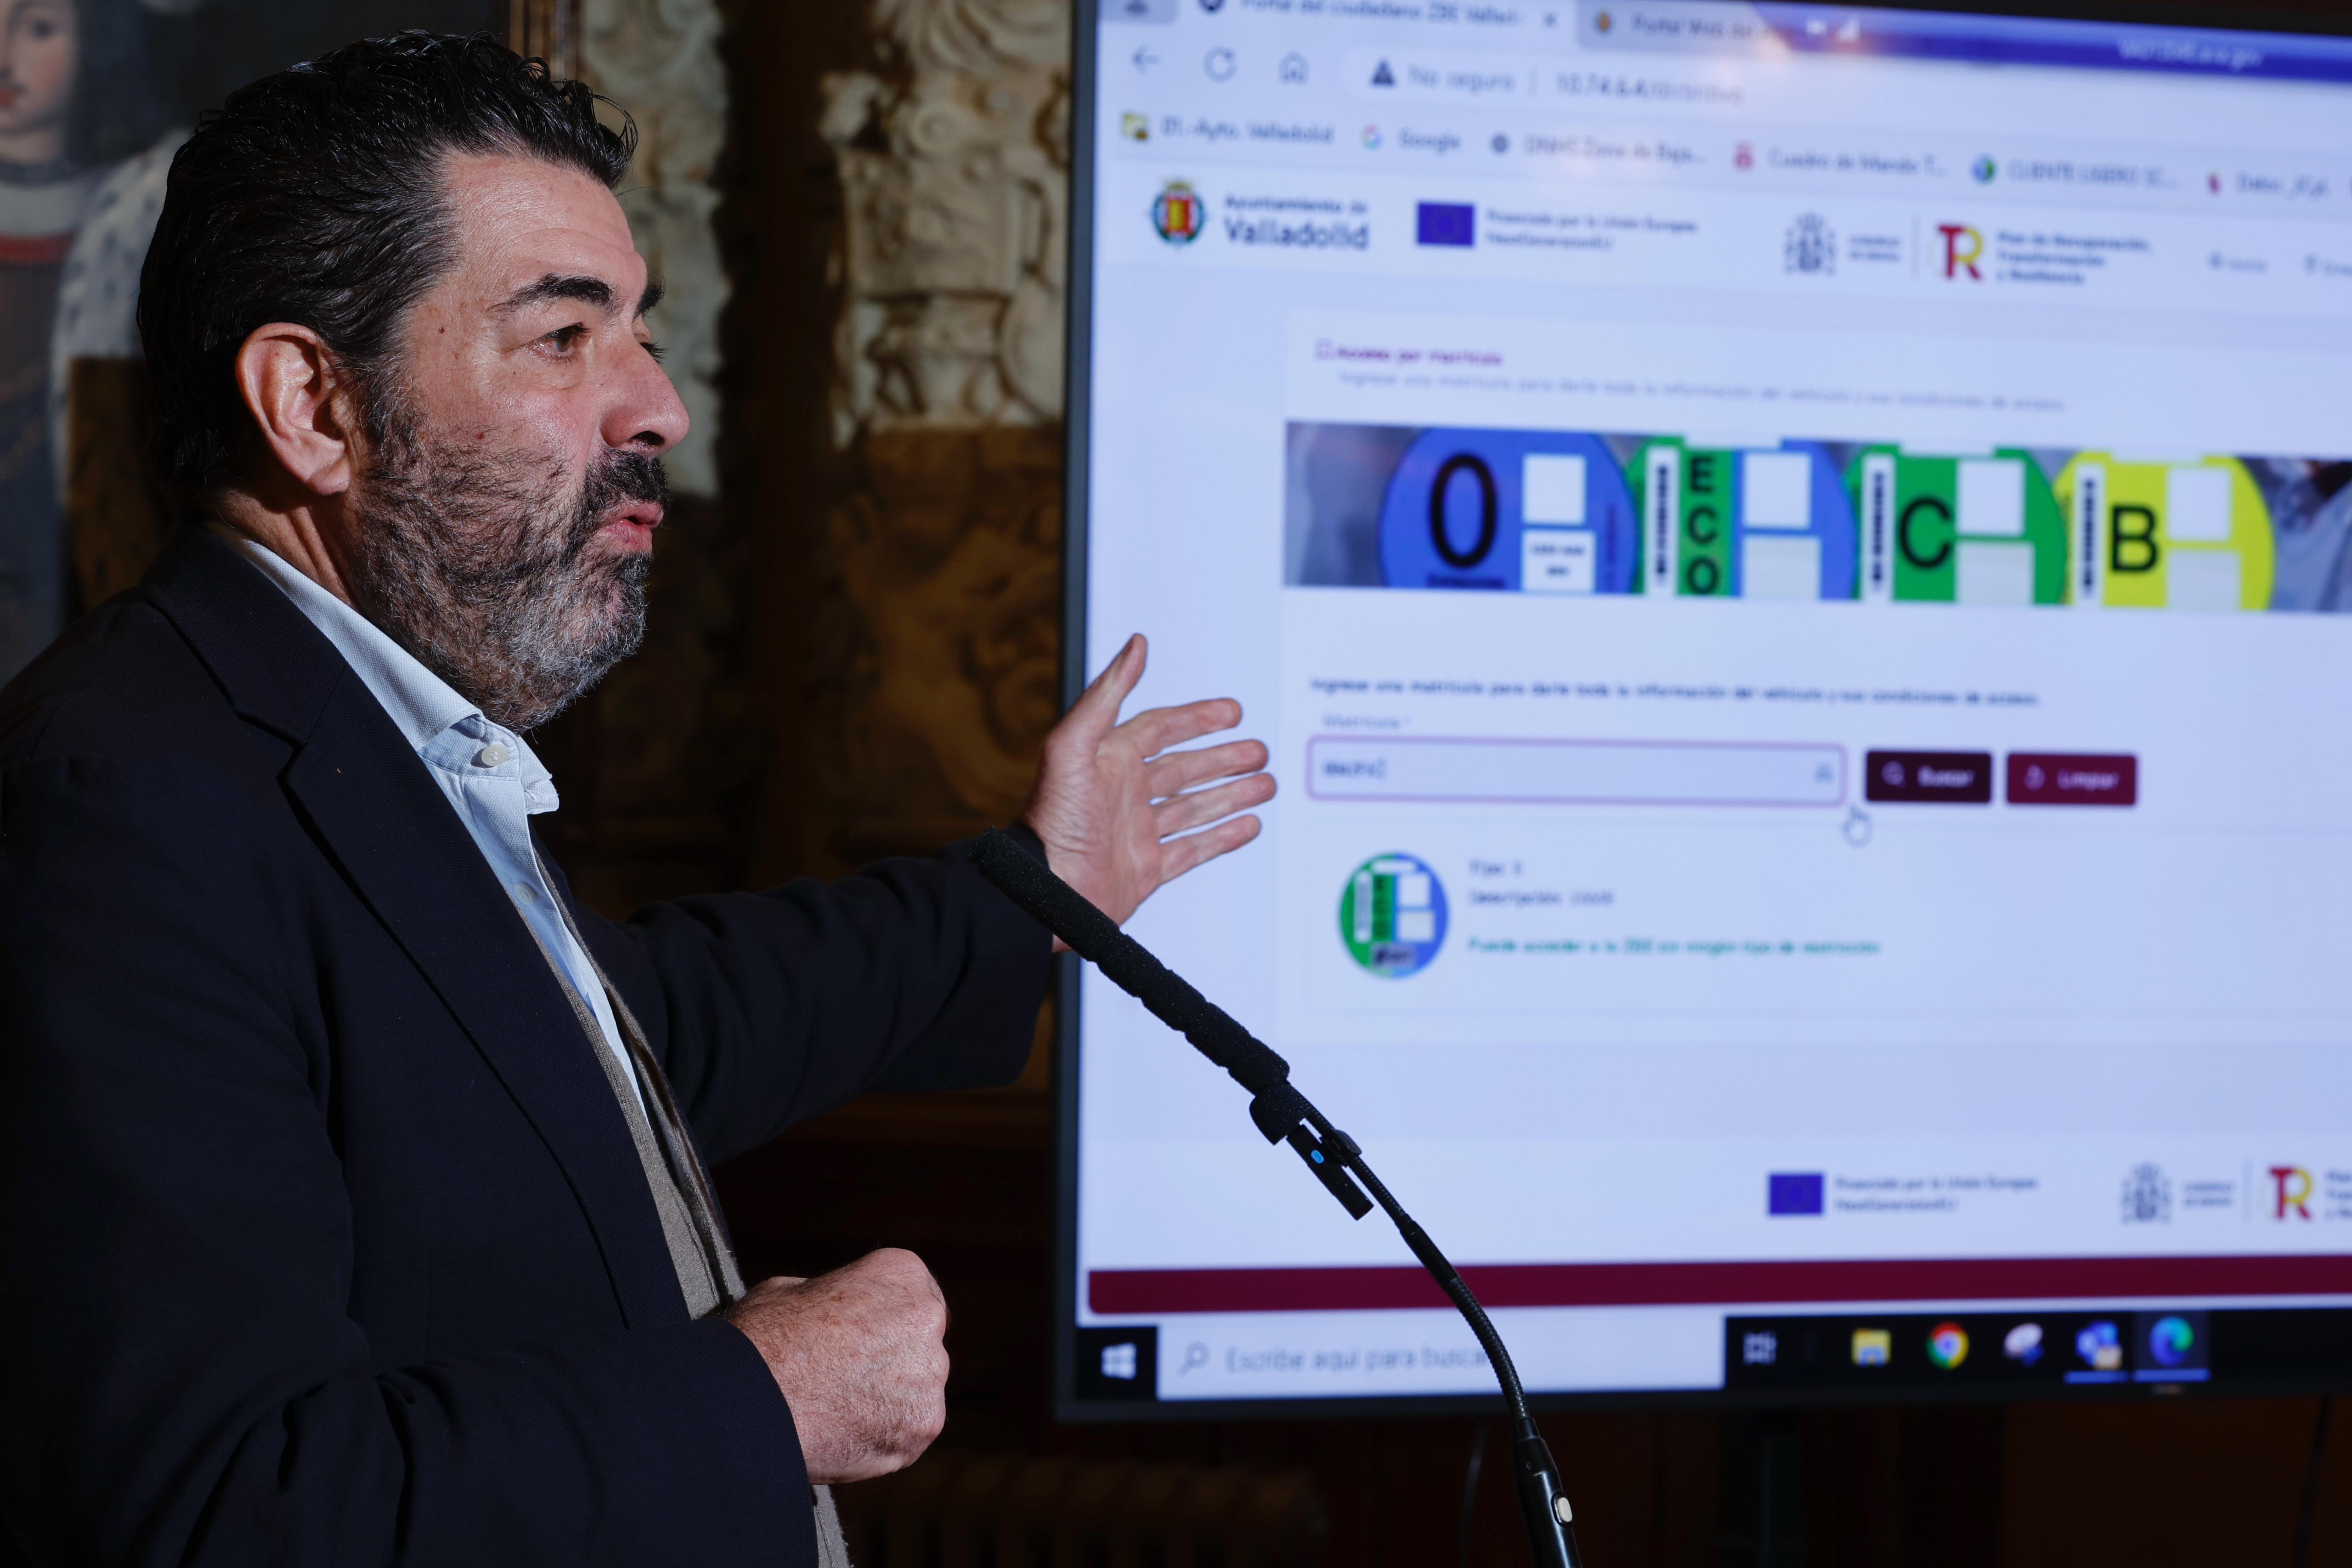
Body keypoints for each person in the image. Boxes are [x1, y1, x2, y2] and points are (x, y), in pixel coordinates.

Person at [0, 33, 1274, 1568]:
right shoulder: (121, 805)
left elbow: (629, 1034)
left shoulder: (358, 738)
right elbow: (226, 1508)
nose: (658, 406)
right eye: (563, 337)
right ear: (313, 406)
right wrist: (768, 1397)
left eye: (640, 333)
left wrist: (1034, 888)